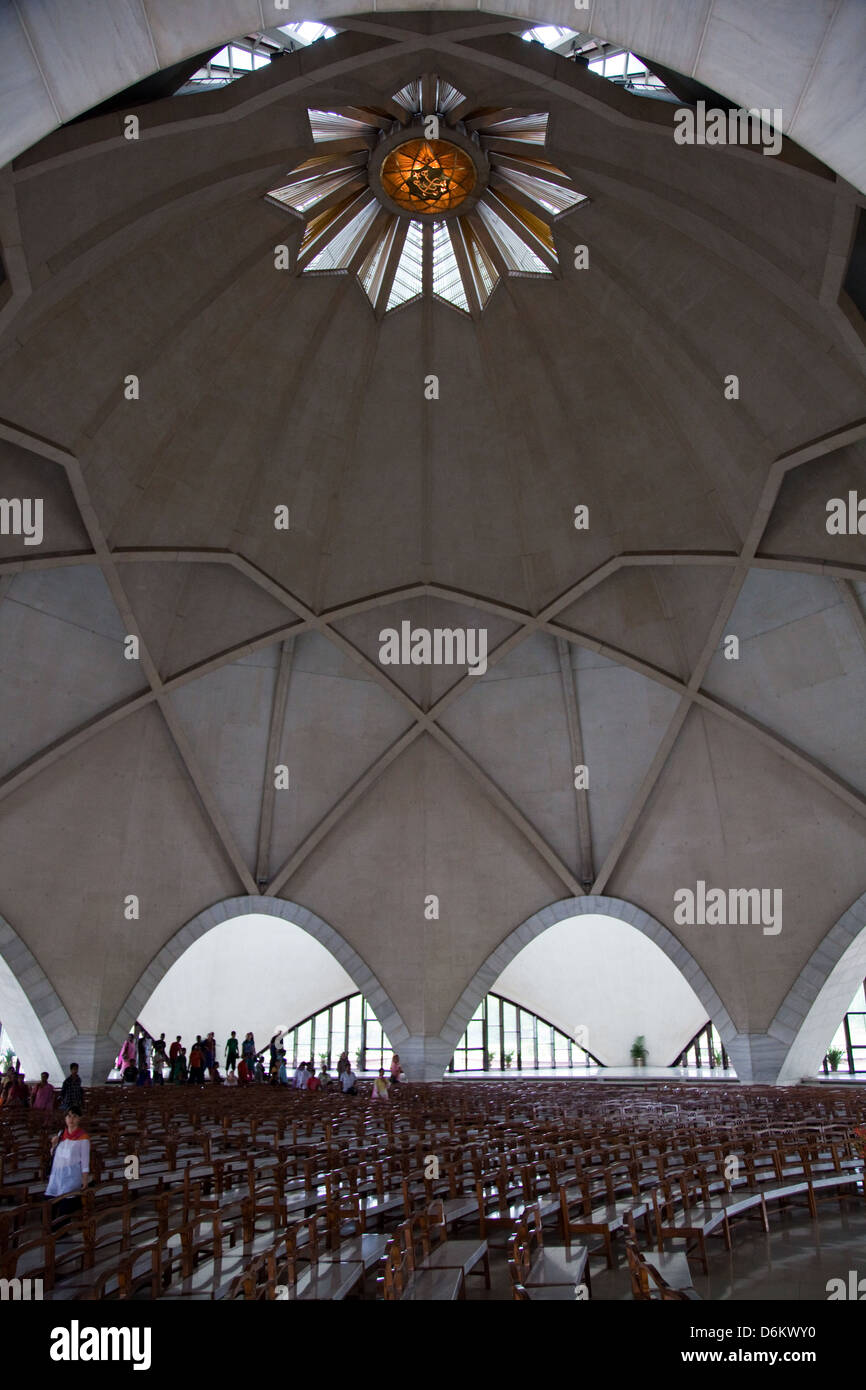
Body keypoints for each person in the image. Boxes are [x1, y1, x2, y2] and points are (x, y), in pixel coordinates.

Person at [45, 1108, 90, 1220]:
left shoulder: (83, 1138)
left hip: (71, 1176)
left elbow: (85, 1161)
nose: (71, 1119)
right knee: (49, 1206)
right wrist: (54, 1146)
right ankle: (49, 1231)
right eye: (68, 1116)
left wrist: (84, 1179)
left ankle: (61, 1232)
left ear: (79, 1118)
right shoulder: (61, 1134)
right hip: (57, 1175)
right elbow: (55, 1154)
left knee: (65, 1208)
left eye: (74, 1116)